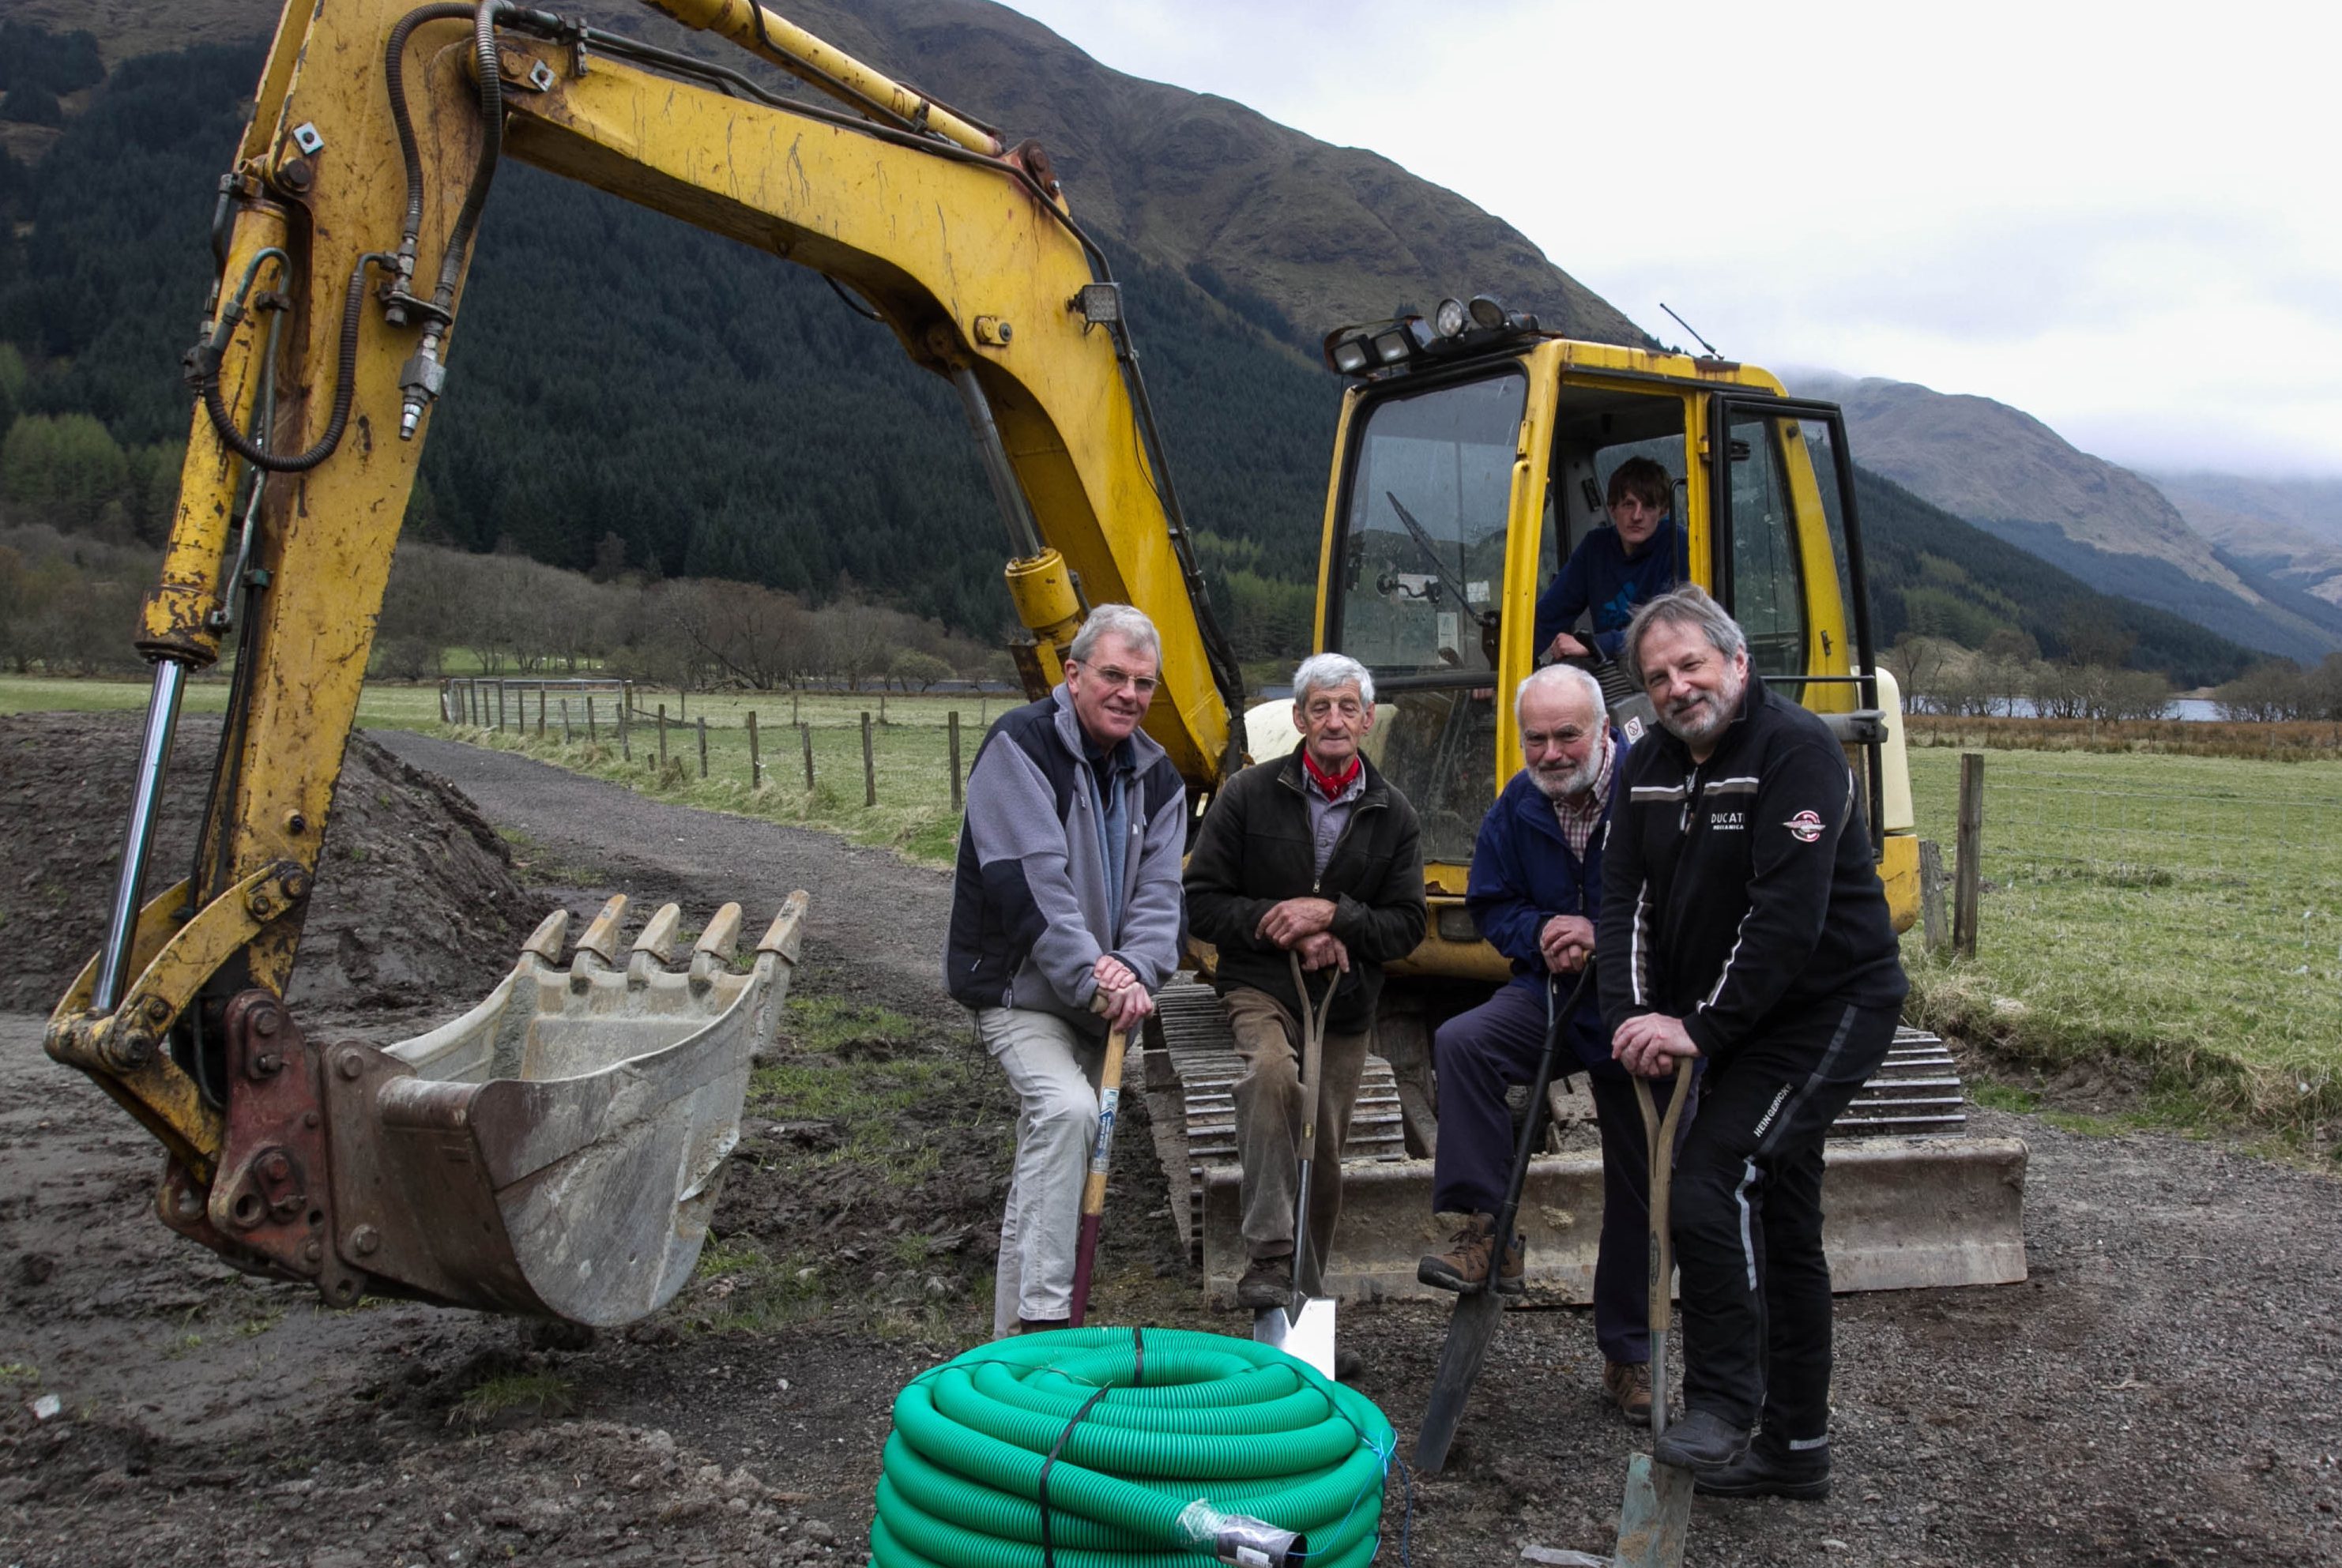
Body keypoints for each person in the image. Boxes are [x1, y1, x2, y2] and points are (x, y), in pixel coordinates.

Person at [1597, 585, 1907, 1501]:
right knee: (1778, 1216)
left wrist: (1697, 1027)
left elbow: (1787, 920)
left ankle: (1724, 1405)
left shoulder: (1797, 748)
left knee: (1710, 1180)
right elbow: (1626, 900)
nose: (1676, 685)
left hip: (1828, 1004)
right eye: (1657, 675)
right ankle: (1795, 1447)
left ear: (1735, 660)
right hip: (1740, 1018)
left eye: (1691, 663)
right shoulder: (1648, 764)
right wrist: (1632, 1014)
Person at [1414, 663, 1681, 1423]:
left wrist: (1605, 931)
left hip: (1640, 1005)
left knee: (1644, 1179)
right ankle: (1487, 1230)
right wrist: (1540, 934)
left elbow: (1690, 908)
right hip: (1554, 994)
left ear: (1603, 729)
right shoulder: (1519, 804)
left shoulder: (1651, 792)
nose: (1553, 751)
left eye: (1569, 734)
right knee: (1465, 1041)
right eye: (1538, 738)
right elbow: (1493, 901)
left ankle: (1628, 1355)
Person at [946, 604, 1188, 1337]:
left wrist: (1138, 968)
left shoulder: (1159, 777)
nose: (1129, 693)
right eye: (1113, 674)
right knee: (1066, 1112)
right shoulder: (1018, 749)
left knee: (1048, 1162)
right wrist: (1098, 978)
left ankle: (1003, 1357)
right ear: (1073, 673)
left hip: (1099, 1004)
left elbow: (1160, 899)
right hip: (1022, 991)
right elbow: (1032, 889)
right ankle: (1048, 1321)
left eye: (1144, 682)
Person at [1183, 652, 1426, 1315]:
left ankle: (1305, 1305)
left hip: (1343, 1003)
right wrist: (1280, 922)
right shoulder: (1247, 793)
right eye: (1320, 707)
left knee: (1321, 1143)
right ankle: (1267, 1255)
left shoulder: (1394, 813)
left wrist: (1335, 917)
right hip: (1261, 984)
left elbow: (1407, 926)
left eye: (1348, 706)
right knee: (1269, 1077)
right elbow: (1201, 903)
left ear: (1368, 719)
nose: (1334, 719)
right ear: (1298, 717)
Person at [1532, 456, 1688, 664]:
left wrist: (1595, 644)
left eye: (1649, 506)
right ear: (1612, 508)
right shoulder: (1596, 548)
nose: (1637, 516)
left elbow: (1673, 628)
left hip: (1662, 662)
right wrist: (1499, 668)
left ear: (1663, 511)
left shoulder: (1677, 546)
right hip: (1612, 667)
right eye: (1628, 505)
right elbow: (1548, 615)